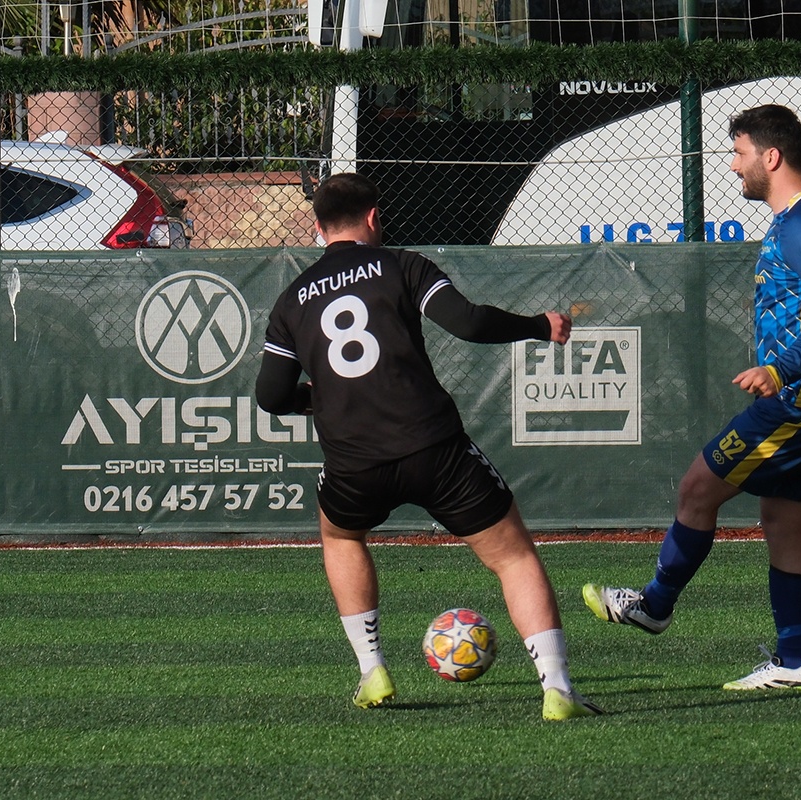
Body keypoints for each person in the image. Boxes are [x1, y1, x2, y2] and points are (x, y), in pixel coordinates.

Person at [255, 173, 602, 721]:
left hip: (354, 461)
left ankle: (372, 669)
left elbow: (271, 396)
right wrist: (540, 325)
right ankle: (557, 688)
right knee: (513, 557)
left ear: (318, 228)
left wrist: (319, 399)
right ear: (374, 217)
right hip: (432, 448)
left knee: (341, 537)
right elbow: (467, 322)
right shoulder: (401, 265)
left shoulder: (291, 300)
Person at [582, 104, 801, 690]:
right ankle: (793, 663)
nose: (734, 166)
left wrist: (779, 368)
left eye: (739, 153)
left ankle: (655, 605)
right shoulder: (797, 218)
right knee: (782, 518)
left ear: (771, 156)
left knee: (697, 488)